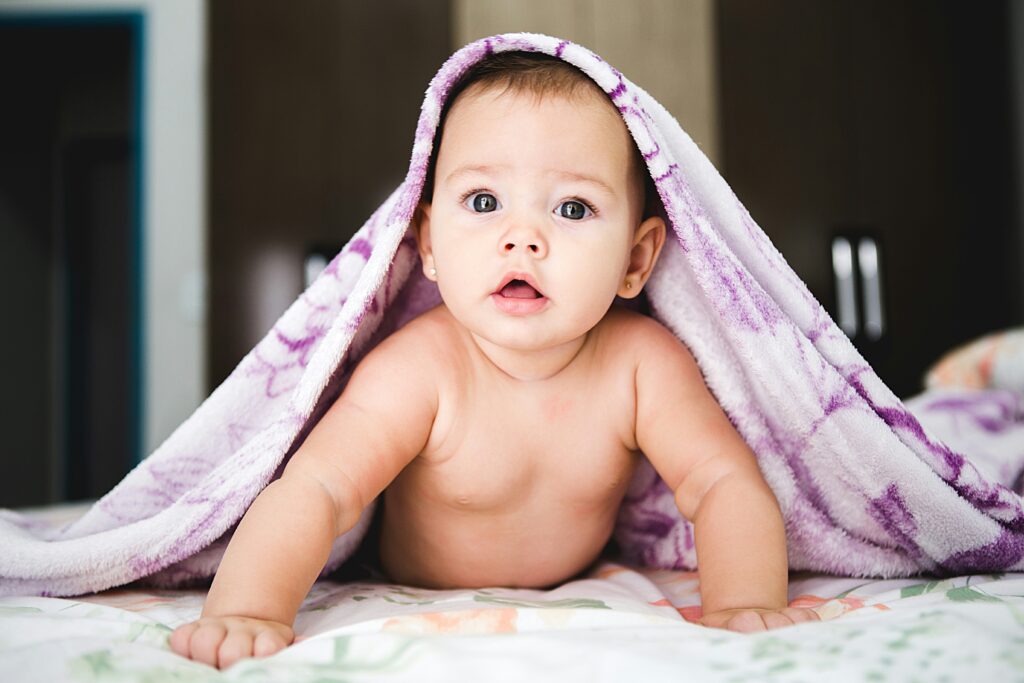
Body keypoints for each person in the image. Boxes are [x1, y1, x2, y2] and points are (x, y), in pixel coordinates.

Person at [170, 51, 820, 669]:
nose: (522, 238)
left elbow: (722, 482)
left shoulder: (641, 364)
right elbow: (320, 489)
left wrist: (744, 603)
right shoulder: (420, 368)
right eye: (484, 202)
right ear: (427, 243)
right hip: (410, 579)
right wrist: (250, 609)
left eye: (572, 207)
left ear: (635, 259)